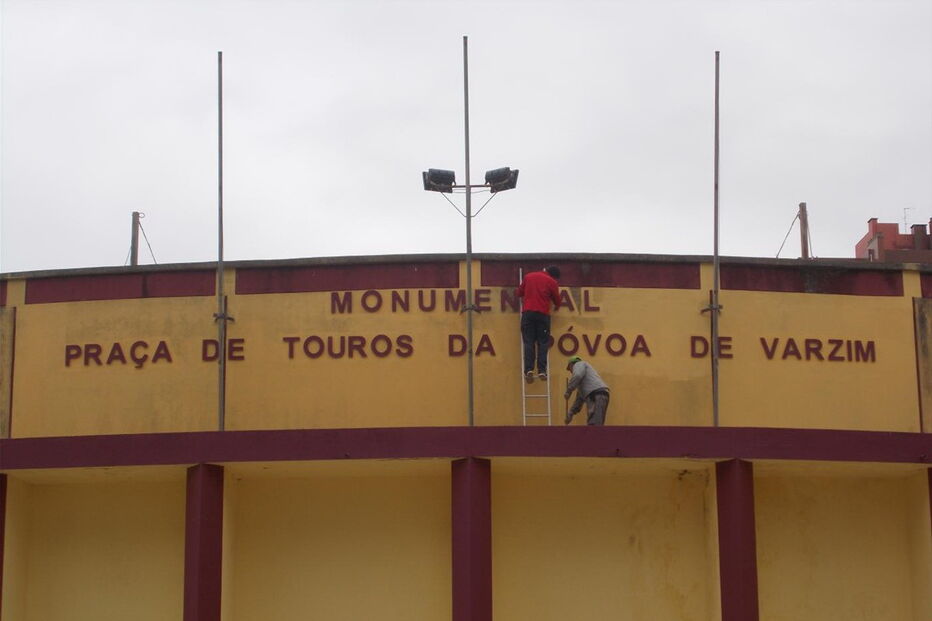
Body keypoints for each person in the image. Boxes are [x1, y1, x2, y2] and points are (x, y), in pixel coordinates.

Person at [517, 265, 561, 382]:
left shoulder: (528, 277)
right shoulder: (552, 282)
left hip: (528, 314)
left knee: (528, 342)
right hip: (543, 315)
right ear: (554, 276)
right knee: (543, 343)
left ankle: (529, 369)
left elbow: (519, 293)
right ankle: (542, 370)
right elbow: (557, 300)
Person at [564, 355, 610, 425]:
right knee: (594, 421)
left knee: (595, 423)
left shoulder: (579, 364)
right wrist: (571, 413)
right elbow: (579, 400)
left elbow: (577, 375)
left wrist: (568, 391)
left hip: (596, 394)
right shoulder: (585, 384)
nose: (571, 371)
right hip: (598, 394)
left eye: (569, 369)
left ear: (571, 364)